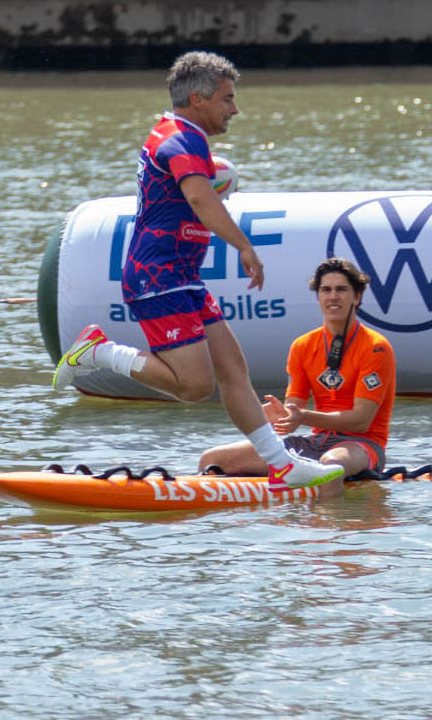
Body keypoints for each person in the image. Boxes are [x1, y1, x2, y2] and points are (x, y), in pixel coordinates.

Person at [52, 50, 345, 490]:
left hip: (182, 275)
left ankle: (282, 466)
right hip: (158, 276)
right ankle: (98, 352)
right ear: (197, 98)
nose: (234, 109)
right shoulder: (181, 139)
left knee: (234, 369)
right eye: (227, 99)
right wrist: (244, 246)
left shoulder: (183, 137)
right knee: (193, 387)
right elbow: (200, 201)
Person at [199, 257, 396, 484]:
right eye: (326, 290)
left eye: (341, 289)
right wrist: (277, 416)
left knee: (328, 466)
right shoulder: (302, 346)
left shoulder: (375, 347)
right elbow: (293, 411)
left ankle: (326, 519)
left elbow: (361, 421)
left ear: (357, 296)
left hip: (361, 446)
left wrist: (302, 417)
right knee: (212, 459)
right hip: (315, 441)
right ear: (318, 296)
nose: (333, 296)